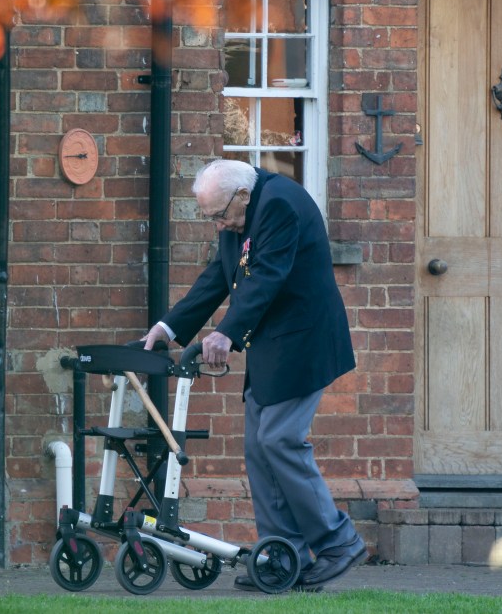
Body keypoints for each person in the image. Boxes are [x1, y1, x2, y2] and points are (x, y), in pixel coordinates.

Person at [143, 159, 364, 590]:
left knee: (279, 438)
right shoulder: (240, 213)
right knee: (258, 448)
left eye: (220, 215)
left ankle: (339, 540)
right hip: (273, 343)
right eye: (211, 218)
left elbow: (267, 277)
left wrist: (226, 332)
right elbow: (219, 276)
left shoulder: (279, 204)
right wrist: (168, 327)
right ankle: (285, 559)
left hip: (305, 341)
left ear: (241, 196)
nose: (219, 225)